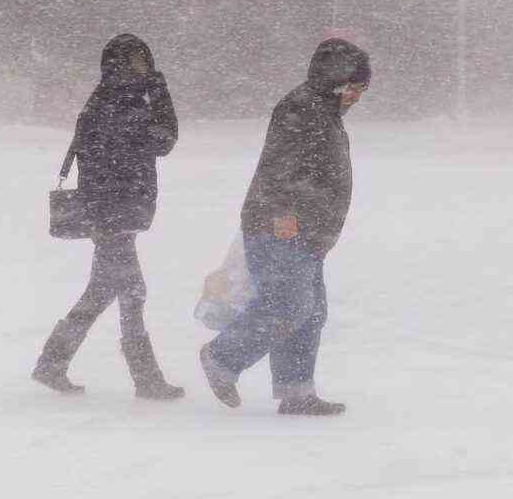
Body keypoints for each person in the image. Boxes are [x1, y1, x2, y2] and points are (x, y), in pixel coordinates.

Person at [200, 38, 370, 415]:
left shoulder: (323, 112)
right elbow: (279, 167)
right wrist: (282, 216)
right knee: (289, 305)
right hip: (281, 227)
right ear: (336, 80)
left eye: (362, 90)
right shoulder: (301, 107)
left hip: (307, 232)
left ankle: (296, 392)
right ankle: (222, 357)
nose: (357, 96)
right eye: (354, 87)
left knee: (310, 311)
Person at [32, 34, 184, 400]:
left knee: (101, 290)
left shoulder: (112, 100)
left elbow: (153, 143)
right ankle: (146, 378)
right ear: (119, 65)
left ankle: (52, 362)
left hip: (114, 212)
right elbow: (164, 140)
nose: (144, 68)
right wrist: (160, 93)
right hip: (113, 215)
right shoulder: (117, 105)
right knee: (132, 292)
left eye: (145, 60)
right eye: (137, 62)